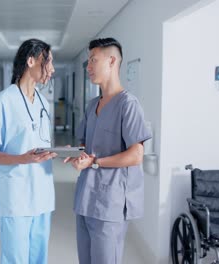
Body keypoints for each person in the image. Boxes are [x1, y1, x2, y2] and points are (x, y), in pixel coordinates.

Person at [65, 38, 152, 264]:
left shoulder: (128, 104)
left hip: (110, 204)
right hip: (86, 198)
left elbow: (136, 155)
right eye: (88, 61)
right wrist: (75, 152)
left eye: (93, 60)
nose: (88, 67)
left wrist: (94, 162)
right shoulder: (93, 104)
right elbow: (87, 146)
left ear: (112, 61)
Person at [0, 38, 57, 264]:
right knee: (16, 259)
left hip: (42, 195)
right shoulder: (3, 100)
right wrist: (23, 159)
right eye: (49, 62)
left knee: (38, 259)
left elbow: (40, 141)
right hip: (17, 197)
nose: (52, 69)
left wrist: (58, 151)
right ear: (31, 60)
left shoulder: (44, 102)